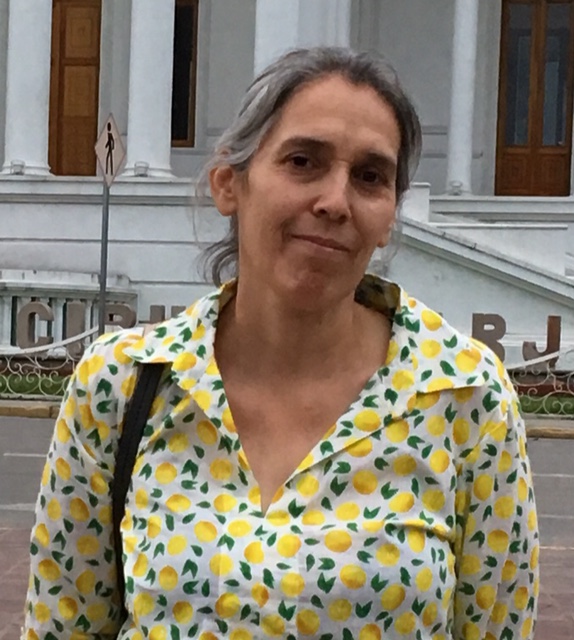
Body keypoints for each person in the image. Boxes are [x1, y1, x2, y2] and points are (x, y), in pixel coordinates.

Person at [23, 47, 538, 640]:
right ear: (229, 184)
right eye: (302, 161)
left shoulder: (464, 395)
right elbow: (63, 624)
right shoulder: (124, 384)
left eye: (370, 177)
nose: (335, 202)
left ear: (390, 214)